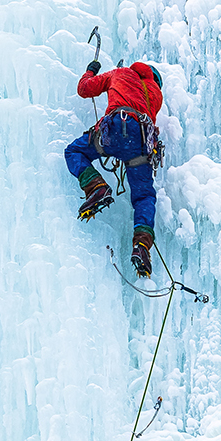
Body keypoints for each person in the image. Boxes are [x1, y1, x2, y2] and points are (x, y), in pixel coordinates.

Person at [65, 56, 164, 276]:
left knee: (74, 151)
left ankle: (96, 187)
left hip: (116, 130)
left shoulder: (121, 73)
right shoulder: (156, 94)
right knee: (144, 196)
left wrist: (91, 70)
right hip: (141, 145)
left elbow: (84, 89)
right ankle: (142, 246)